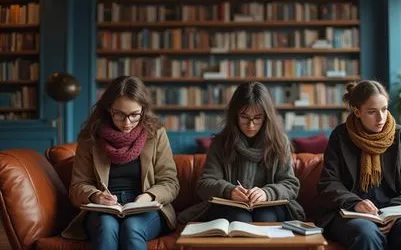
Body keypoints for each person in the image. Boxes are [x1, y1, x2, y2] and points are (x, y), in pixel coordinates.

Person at [62, 76, 180, 250]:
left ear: (143, 110)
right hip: (104, 209)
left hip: (145, 207)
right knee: (107, 227)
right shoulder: (90, 137)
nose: (127, 122)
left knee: (132, 228)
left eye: (134, 115)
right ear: (109, 108)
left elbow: (170, 182)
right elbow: (78, 186)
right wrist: (96, 196)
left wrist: (148, 197)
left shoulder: (156, 134)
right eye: (119, 114)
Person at [316, 80, 401, 250]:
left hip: (397, 210)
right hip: (352, 213)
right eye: (372, 112)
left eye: (384, 109)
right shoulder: (340, 136)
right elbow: (328, 183)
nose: (380, 118)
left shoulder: (399, 135)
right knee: (365, 232)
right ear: (357, 111)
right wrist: (355, 203)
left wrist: (395, 212)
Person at [178, 81, 305, 223]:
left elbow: (290, 185)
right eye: (244, 117)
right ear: (235, 115)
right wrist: (229, 191)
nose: (251, 125)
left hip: (271, 207)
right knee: (240, 218)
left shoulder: (279, 142)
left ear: (267, 117)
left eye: (257, 118)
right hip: (230, 207)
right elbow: (204, 184)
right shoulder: (221, 143)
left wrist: (266, 193)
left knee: (265, 217)